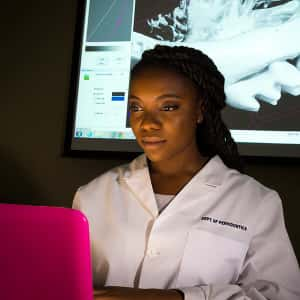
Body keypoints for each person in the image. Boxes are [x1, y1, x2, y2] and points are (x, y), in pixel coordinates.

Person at [72, 45, 300, 300]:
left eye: (168, 107)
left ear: (200, 110)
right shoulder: (92, 196)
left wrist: (176, 298)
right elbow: (66, 285)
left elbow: (281, 296)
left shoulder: (256, 203)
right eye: (137, 107)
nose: (147, 123)